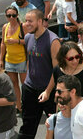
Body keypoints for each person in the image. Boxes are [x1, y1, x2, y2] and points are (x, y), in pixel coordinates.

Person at [19, 9, 61, 139]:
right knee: (27, 126)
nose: (27, 24)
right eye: (26, 21)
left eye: (30, 21)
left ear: (40, 21)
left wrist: (48, 91)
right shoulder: (27, 37)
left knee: (53, 127)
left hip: (48, 91)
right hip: (30, 89)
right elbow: (29, 60)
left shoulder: (53, 41)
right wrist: (26, 82)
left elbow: (57, 70)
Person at [0, 6, 26, 112]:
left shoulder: (22, 26)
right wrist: (1, 60)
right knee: (14, 84)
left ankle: (27, 105)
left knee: (25, 85)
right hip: (9, 60)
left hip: (22, 60)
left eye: (13, 15)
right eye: (9, 15)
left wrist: (16, 41)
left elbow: (28, 40)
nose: (11, 18)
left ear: (17, 15)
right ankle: (18, 106)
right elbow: (2, 44)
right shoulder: (5, 27)